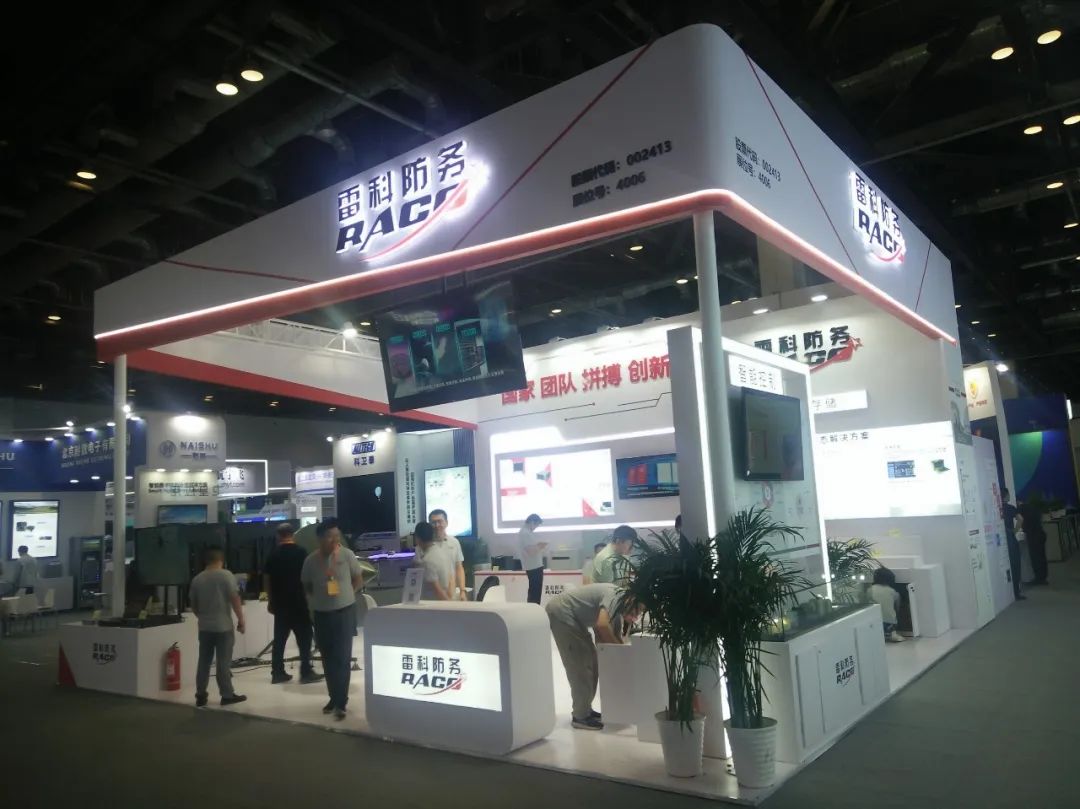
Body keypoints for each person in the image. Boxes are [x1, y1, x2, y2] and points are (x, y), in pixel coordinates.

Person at [545, 583, 633, 730]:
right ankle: (580, 716)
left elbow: (605, 638)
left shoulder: (617, 610)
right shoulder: (616, 596)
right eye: (637, 610)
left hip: (571, 617)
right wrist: (621, 655)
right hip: (562, 613)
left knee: (591, 662)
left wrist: (617, 655)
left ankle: (585, 709)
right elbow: (602, 626)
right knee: (581, 665)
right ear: (631, 599)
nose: (636, 615)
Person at [301, 518, 365, 720]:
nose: (335, 539)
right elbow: (307, 585)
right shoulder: (311, 560)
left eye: (337, 535)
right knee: (327, 659)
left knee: (343, 658)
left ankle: (341, 701)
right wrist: (316, 601)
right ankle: (333, 697)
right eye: (330, 536)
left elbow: (358, 578)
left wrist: (348, 594)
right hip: (322, 615)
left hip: (344, 612)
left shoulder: (347, 555)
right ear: (320, 538)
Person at [263, 523, 323, 685]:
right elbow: (308, 577)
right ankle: (305, 671)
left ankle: (277, 672)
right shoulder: (301, 552)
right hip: (299, 603)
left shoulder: (273, 555)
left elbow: (267, 580)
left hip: (280, 604)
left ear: (278, 536)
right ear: (292, 534)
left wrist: (271, 601)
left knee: (279, 640)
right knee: (304, 638)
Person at [189, 547, 247, 707]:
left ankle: (200, 695)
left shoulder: (197, 579)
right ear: (221, 560)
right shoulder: (226, 575)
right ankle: (227, 695)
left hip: (204, 628)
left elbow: (194, 605)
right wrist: (241, 619)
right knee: (223, 662)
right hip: (223, 627)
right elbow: (235, 598)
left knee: (204, 661)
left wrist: (203, 618)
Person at [428, 509, 466, 600]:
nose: (437, 525)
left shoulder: (454, 542)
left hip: (451, 595)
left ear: (446, 523)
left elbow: (459, 568)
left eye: (440, 521)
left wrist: (462, 591)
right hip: (430, 599)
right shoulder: (424, 545)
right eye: (433, 522)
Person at [414, 521, 453, 600]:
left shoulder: (427, 561)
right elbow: (451, 579)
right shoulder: (442, 552)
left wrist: (450, 605)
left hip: (435, 604)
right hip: (447, 597)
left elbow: (437, 591)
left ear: (417, 538)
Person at [868, 567, 904, 643]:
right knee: (893, 609)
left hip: (875, 622)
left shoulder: (870, 590)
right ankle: (892, 633)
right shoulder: (892, 591)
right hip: (890, 623)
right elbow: (897, 608)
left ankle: (878, 634)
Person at [1018, 497, 1049, 586]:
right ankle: (1043, 578)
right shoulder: (1033, 508)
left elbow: (1021, 521)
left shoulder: (1021, 509)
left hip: (1033, 536)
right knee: (1042, 557)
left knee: (1035, 558)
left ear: (1017, 502)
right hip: (1040, 534)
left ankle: (1038, 579)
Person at [1000, 488, 1025, 601]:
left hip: (1000, 538)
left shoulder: (997, 508)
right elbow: (1020, 519)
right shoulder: (1010, 508)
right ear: (1006, 496)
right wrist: (1014, 531)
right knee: (1015, 565)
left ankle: (1006, 593)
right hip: (1010, 537)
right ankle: (1016, 593)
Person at [517, 514, 546, 604]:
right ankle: (534, 609)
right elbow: (531, 551)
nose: (536, 527)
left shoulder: (526, 532)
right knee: (535, 592)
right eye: (536, 525)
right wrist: (540, 546)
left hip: (533, 566)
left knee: (534, 591)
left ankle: (533, 608)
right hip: (534, 567)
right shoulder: (525, 533)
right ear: (532, 522)